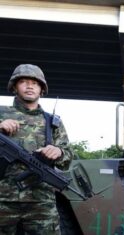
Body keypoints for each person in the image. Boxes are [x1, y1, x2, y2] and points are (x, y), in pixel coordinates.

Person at [0, 64, 73, 234]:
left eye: (35, 82)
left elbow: (68, 155)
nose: (30, 86)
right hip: (3, 199)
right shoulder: (1, 113)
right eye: (23, 82)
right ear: (14, 88)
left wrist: (59, 152)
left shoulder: (52, 122)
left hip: (41, 201)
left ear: (42, 89)